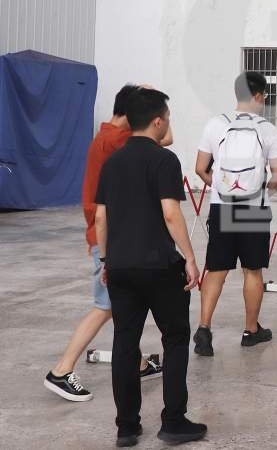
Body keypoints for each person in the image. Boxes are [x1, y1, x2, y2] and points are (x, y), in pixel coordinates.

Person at [94, 88, 206, 446]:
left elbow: (101, 218)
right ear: (157, 121)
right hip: (158, 265)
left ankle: (126, 427)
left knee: (125, 342)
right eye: (168, 117)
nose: (168, 122)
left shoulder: (112, 162)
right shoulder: (164, 160)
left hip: (120, 266)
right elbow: (171, 214)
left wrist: (106, 260)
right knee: (174, 338)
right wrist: (190, 257)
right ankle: (173, 421)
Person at [44, 83, 171, 402]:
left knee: (123, 304)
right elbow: (165, 138)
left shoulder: (102, 136)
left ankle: (139, 364)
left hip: (104, 232)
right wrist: (154, 102)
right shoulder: (118, 139)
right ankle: (61, 370)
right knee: (105, 307)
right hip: (111, 237)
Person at [193, 72, 277, 356]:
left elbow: (200, 168)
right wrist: (258, 193)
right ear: (258, 96)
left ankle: (204, 327)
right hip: (254, 208)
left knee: (216, 268)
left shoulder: (216, 123)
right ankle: (250, 330)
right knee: (252, 270)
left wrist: (223, 188)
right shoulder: (268, 129)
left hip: (222, 206)